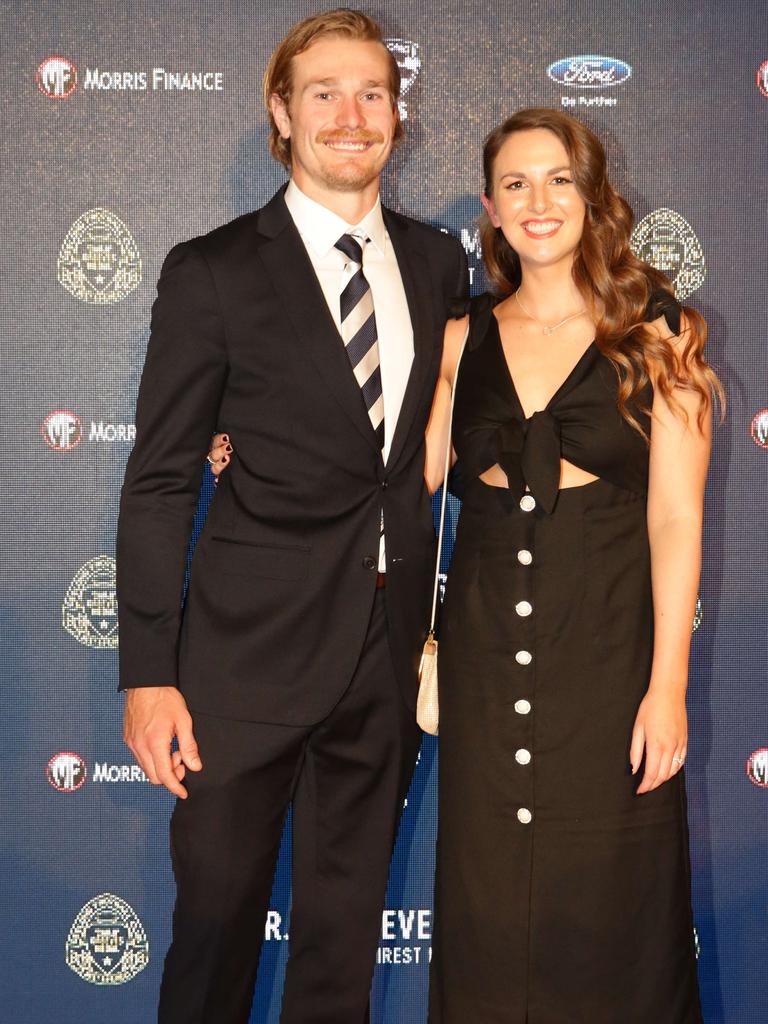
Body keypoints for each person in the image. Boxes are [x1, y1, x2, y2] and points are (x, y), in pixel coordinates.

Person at [115, 9, 466, 1024]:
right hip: (240, 665)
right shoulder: (213, 271)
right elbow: (158, 481)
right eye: (324, 93)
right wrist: (147, 672)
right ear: (282, 111)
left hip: (383, 654)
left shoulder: (437, 263)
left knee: (339, 946)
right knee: (218, 933)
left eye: (372, 94)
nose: (351, 116)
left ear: (396, 115)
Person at [423, 109, 722, 1023]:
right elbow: (403, 485)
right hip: (480, 667)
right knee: (484, 923)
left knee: (611, 923)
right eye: (516, 183)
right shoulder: (457, 339)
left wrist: (665, 684)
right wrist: (235, 445)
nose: (538, 201)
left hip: (605, 668)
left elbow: (675, 517)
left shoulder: (659, 334)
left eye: (559, 180)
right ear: (491, 209)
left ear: (594, 198)